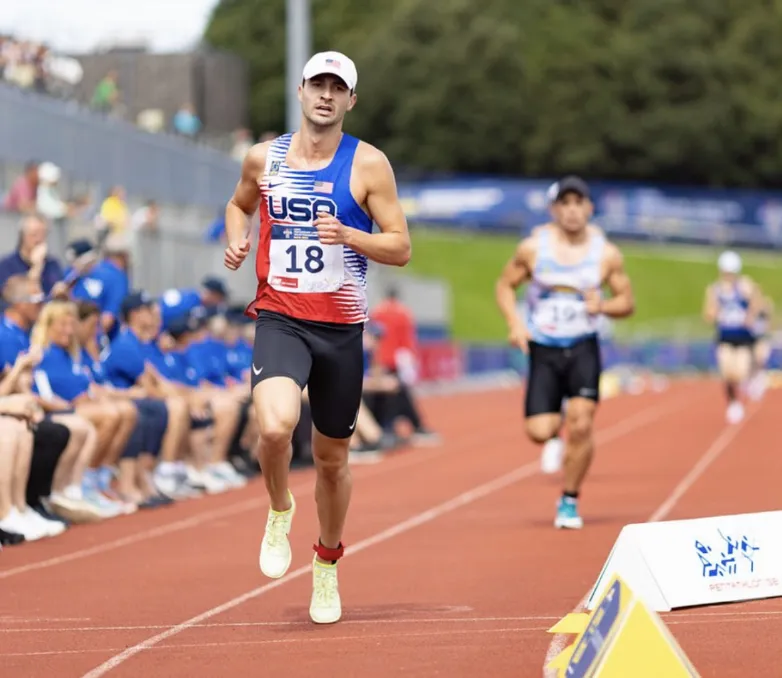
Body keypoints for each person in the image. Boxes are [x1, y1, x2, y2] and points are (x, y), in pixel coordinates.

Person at [223, 50, 411, 624]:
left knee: (332, 461)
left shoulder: (369, 165)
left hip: (340, 330)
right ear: (300, 91)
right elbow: (238, 205)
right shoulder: (264, 158)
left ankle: (326, 563)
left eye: (338, 87)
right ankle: (279, 507)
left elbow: (400, 246)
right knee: (275, 425)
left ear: (351, 100)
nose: (326, 95)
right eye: (317, 85)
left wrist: (351, 234)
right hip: (280, 317)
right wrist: (237, 237)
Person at [495, 176, 634, 530]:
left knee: (583, 422)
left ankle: (569, 500)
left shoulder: (606, 254)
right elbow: (505, 285)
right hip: (544, 347)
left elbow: (626, 302)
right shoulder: (533, 248)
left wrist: (602, 305)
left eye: (579, 203)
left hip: (583, 345)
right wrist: (515, 323)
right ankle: (554, 435)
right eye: (565, 204)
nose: (572, 211)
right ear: (554, 209)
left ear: (589, 208)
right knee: (539, 431)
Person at [702, 250, 762, 423]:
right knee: (727, 373)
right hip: (725, 336)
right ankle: (733, 403)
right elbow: (708, 313)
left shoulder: (744, 286)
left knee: (740, 372)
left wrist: (749, 317)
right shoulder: (715, 290)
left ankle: (749, 382)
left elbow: (757, 302)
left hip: (743, 338)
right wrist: (716, 314)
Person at [748, 294, 774, 401]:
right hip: (752, 339)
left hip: (762, 339)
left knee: (760, 361)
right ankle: (752, 383)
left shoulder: (764, 310)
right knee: (752, 362)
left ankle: (760, 383)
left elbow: (768, 320)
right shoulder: (750, 309)